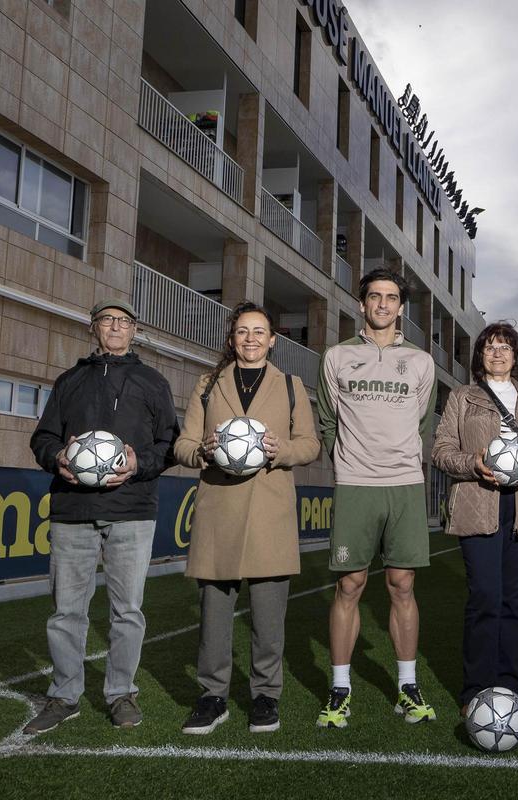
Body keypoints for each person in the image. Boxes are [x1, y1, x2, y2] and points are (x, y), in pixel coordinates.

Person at [25, 299, 178, 733]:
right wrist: (57, 457)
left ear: (135, 330)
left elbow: (169, 443)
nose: (115, 327)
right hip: (72, 510)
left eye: (124, 321)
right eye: (107, 320)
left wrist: (138, 465)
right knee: (66, 612)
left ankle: (121, 693)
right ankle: (63, 696)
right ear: (93, 327)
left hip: (131, 509)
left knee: (127, 611)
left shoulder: (153, 381)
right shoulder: (69, 380)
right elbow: (43, 437)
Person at [173, 302, 319, 734]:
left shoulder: (291, 385)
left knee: (268, 617)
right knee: (214, 615)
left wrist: (282, 451)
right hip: (219, 507)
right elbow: (183, 445)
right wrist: (203, 449)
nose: (251, 339)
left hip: (270, 511)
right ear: (231, 337)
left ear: (273, 339)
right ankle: (212, 695)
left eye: (259, 332)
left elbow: (310, 444)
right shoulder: (207, 384)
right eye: (242, 331)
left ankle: (264, 698)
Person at [315, 269, 437, 728]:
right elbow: (328, 418)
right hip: (355, 485)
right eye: (375, 297)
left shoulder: (421, 362)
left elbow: (424, 424)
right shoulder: (337, 357)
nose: (383, 305)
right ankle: (340, 688)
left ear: (401, 308)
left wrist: (407, 460)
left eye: (391, 298)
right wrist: (346, 461)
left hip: (404, 484)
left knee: (402, 585)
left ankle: (407, 685)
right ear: (362, 304)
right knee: (349, 585)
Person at [432, 322, 518, 714]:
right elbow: (441, 451)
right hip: (478, 504)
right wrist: (474, 463)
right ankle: (475, 690)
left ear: (516, 356)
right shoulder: (462, 397)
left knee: (516, 602)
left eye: (505, 347)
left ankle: (509, 688)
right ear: (480, 356)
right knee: (485, 596)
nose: (498, 353)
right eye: (490, 347)